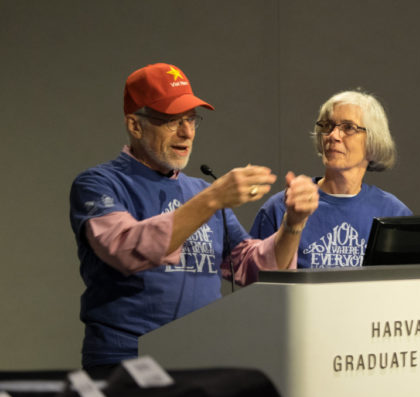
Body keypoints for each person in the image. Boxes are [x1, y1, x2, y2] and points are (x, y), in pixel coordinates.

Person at [69, 63, 319, 371]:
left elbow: (255, 269)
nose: (187, 132)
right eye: (172, 121)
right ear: (135, 125)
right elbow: (125, 249)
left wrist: (293, 223)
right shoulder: (99, 183)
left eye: (191, 119)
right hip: (127, 364)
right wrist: (212, 199)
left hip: (200, 360)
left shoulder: (200, 192)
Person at [250, 90, 411, 269]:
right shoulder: (284, 206)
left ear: (373, 141)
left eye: (349, 127)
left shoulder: (394, 213)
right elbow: (254, 281)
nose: (333, 136)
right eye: (328, 126)